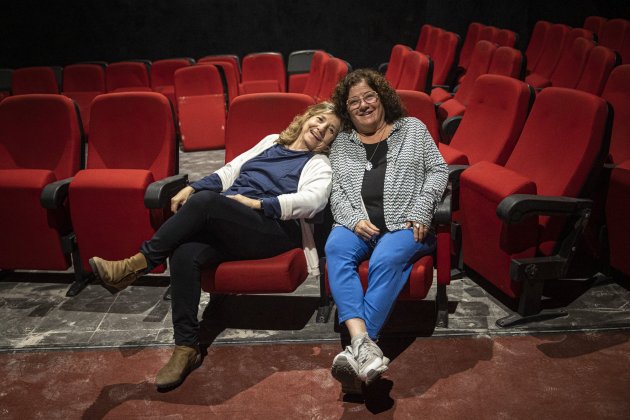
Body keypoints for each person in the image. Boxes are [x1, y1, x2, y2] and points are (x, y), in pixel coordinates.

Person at [89, 102, 340, 390]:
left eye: (331, 130)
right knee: (185, 252)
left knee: (207, 202)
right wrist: (194, 187)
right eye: (320, 120)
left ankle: (137, 265)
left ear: (330, 141)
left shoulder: (319, 163)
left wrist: (257, 203)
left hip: (271, 229)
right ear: (307, 118)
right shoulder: (272, 141)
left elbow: (313, 201)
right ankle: (186, 347)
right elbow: (231, 171)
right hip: (232, 220)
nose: (321, 129)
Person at [325, 69, 448, 393]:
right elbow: (336, 191)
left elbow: (438, 170)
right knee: (335, 247)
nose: (363, 105)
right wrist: (352, 219)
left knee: (385, 257)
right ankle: (363, 346)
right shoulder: (342, 142)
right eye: (354, 102)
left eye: (369, 96)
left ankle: (360, 346)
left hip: (405, 224)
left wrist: (422, 208)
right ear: (346, 109)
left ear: (382, 98)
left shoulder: (412, 129)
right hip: (357, 225)